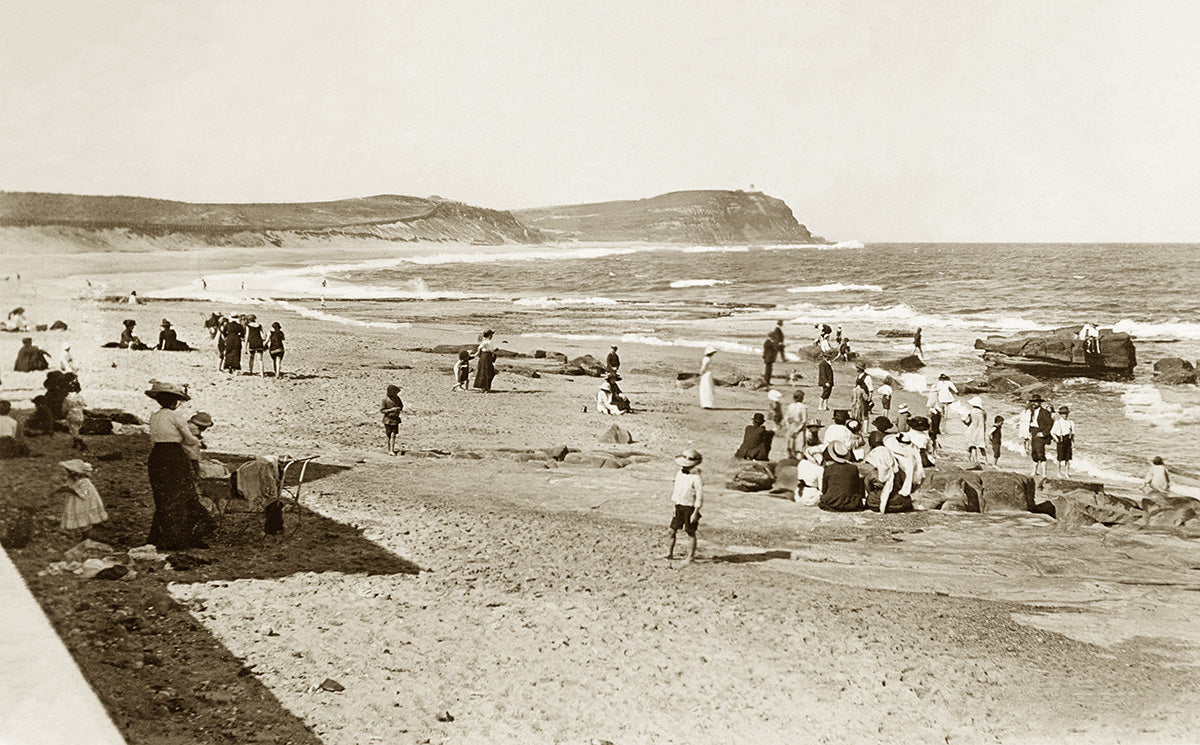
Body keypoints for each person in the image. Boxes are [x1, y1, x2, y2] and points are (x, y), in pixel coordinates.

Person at [145, 381, 213, 549]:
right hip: (173, 456)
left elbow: (153, 438)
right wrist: (197, 443)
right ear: (173, 402)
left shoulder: (154, 416)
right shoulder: (175, 416)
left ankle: (162, 536)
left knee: (164, 498)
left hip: (157, 457)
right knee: (183, 496)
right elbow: (189, 438)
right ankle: (181, 538)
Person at [665, 449, 703, 565]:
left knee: (690, 532)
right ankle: (669, 553)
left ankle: (690, 557)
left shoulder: (696, 478)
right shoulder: (679, 474)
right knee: (671, 531)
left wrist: (695, 512)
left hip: (690, 508)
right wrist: (674, 506)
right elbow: (676, 490)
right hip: (679, 505)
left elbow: (699, 496)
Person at [58, 459, 107, 539]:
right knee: (82, 522)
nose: (69, 474)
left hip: (84, 503)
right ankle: (84, 536)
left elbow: (84, 494)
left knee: (85, 519)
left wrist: (69, 490)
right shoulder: (73, 480)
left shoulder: (85, 481)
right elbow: (68, 485)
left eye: (70, 471)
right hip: (77, 502)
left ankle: (87, 537)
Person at [863, 431, 910, 513]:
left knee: (870, 497)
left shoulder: (873, 474)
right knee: (906, 499)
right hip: (896, 503)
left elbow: (868, 487)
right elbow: (903, 484)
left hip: (875, 503)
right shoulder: (898, 471)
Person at [819, 441, 864, 512]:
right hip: (852, 503)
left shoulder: (828, 469)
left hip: (832, 502)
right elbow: (857, 487)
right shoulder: (853, 468)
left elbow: (824, 489)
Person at [1027, 395, 1054, 478]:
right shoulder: (1032, 411)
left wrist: (1044, 433)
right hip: (1034, 432)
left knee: (1041, 453)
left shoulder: (1045, 412)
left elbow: (1050, 424)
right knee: (1034, 453)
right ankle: (1034, 471)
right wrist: (1030, 431)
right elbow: (1031, 422)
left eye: (1036, 402)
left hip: (1040, 433)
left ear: (1040, 403)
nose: (1034, 403)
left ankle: (1044, 474)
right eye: (1033, 402)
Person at [783, 390, 809, 458]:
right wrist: (797, 430)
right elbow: (804, 420)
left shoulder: (790, 406)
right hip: (799, 429)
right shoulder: (803, 407)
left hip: (790, 428)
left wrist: (788, 426)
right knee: (799, 449)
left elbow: (786, 418)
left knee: (790, 448)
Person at [63, 376, 86, 452]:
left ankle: (81, 443)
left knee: (73, 430)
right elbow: (84, 404)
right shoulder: (79, 397)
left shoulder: (67, 398)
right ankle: (75, 443)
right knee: (77, 429)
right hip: (79, 414)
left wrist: (64, 413)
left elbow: (65, 408)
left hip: (71, 414)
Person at [962, 396, 988, 465]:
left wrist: (967, 424)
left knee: (971, 446)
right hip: (980, 430)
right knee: (981, 446)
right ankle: (985, 461)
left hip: (972, 429)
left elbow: (963, 419)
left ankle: (973, 460)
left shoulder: (970, 412)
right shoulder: (983, 412)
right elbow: (984, 421)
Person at [1051, 405, 1074, 477]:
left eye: (1066, 413)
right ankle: (1059, 472)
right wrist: (1056, 439)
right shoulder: (1058, 422)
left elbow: (1073, 433)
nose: (1065, 415)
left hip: (1068, 440)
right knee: (1060, 458)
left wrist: (1073, 441)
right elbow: (1052, 432)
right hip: (1061, 439)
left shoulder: (1070, 422)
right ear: (1060, 414)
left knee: (1067, 458)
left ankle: (1067, 473)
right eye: (1063, 414)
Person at [381, 384, 404, 455]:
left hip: (395, 419)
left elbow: (401, 406)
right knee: (388, 435)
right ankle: (389, 449)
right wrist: (391, 410)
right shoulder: (385, 400)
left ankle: (392, 449)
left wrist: (398, 408)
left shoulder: (397, 399)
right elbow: (382, 410)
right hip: (388, 419)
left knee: (394, 435)